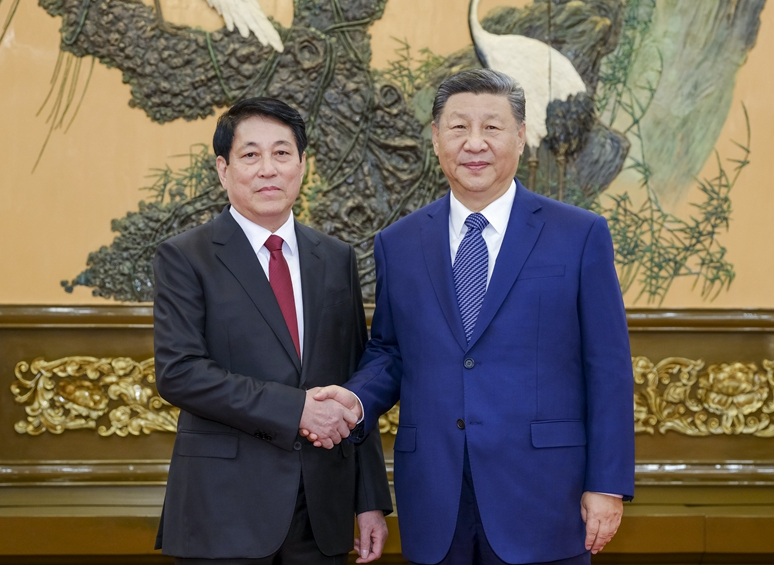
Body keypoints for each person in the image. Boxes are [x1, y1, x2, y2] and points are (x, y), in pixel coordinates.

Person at [306, 69, 635, 565]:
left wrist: (607, 484)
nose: (474, 143)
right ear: (436, 138)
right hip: (436, 495)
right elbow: (391, 352)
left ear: (520, 137)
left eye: (492, 127)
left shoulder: (579, 234)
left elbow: (608, 367)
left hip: (546, 495)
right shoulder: (399, 242)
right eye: (459, 127)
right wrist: (353, 401)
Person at [153, 97, 392, 565]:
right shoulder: (185, 257)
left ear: (302, 165)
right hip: (223, 511)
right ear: (223, 170)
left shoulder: (335, 257)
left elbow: (354, 380)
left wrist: (369, 501)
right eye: (250, 155)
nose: (268, 169)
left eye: (282, 153)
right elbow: (180, 373)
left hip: (321, 513)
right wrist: (296, 409)